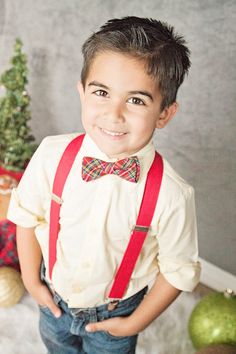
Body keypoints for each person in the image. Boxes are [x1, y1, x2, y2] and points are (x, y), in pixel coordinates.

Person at [7, 16, 201, 354]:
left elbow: (178, 271)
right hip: (52, 298)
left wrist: (134, 323)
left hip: (117, 314)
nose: (114, 113)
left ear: (164, 113)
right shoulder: (52, 154)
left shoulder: (172, 194)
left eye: (136, 100)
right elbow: (26, 216)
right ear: (82, 93)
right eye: (102, 92)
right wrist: (30, 282)